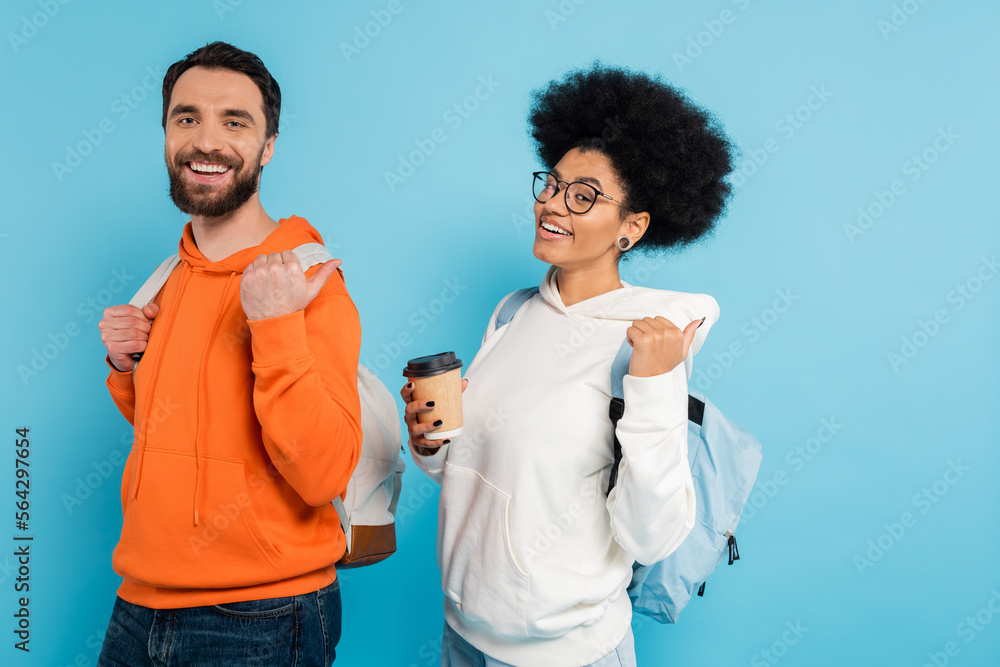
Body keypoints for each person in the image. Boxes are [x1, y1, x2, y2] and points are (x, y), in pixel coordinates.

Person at [403, 64, 735, 666]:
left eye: (584, 196)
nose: (552, 205)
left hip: (565, 654)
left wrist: (656, 384)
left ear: (630, 228)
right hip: (462, 637)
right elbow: (476, 470)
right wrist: (431, 444)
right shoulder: (511, 315)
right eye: (552, 185)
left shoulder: (645, 346)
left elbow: (652, 534)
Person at [96, 42, 361, 666]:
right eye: (187, 118)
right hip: (139, 601)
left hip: (261, 614)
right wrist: (125, 368)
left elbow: (323, 473)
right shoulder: (169, 277)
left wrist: (274, 327)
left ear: (268, 147)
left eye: (234, 122)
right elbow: (196, 440)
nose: (206, 141)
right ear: (165, 135)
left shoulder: (306, 281)